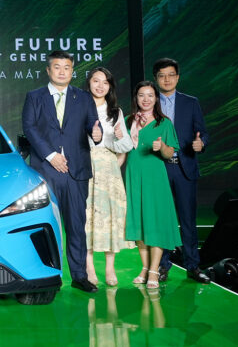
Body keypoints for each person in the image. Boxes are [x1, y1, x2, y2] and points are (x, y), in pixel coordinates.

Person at [22, 50, 103, 293]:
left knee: (76, 226)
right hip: (45, 170)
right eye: (57, 67)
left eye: (67, 67)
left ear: (72, 71)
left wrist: (97, 134)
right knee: (43, 224)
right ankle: (46, 275)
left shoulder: (83, 98)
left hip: (76, 172)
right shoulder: (34, 97)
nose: (62, 72)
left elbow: (93, 125)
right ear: (49, 70)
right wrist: (51, 156)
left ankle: (79, 275)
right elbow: (29, 128)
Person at [152, 57, 212, 284]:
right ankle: (162, 265)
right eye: (162, 76)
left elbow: (203, 132)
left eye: (171, 75)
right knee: (162, 220)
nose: (166, 79)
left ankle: (193, 266)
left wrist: (201, 144)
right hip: (159, 169)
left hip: (184, 168)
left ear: (177, 77)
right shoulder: (150, 101)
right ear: (156, 79)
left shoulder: (191, 102)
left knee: (188, 219)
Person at [123, 80, 181, 289]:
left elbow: (169, 153)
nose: (145, 99)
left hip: (154, 178)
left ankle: (155, 270)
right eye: (141, 95)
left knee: (155, 223)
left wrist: (162, 146)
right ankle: (145, 268)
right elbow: (122, 149)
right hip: (133, 176)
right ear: (136, 98)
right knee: (139, 223)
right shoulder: (128, 120)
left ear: (156, 98)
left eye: (150, 95)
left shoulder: (163, 123)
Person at [83, 67, 135, 287]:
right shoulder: (79, 107)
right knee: (88, 217)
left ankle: (110, 267)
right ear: (89, 83)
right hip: (85, 165)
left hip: (109, 169)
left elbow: (125, 146)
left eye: (105, 82)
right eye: (96, 81)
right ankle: (89, 267)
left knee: (111, 218)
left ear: (110, 86)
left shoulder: (115, 112)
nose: (100, 86)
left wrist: (120, 137)